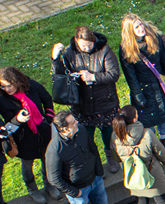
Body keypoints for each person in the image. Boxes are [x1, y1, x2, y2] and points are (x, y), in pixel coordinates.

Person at [46, 110, 128, 204]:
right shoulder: (55, 149)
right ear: (64, 129)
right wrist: (73, 192)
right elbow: (53, 178)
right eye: (73, 123)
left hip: (95, 180)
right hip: (77, 190)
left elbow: (93, 149)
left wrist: (99, 173)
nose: (77, 123)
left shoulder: (81, 131)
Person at [50, 26, 122, 173]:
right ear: (76, 41)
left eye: (90, 44)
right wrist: (55, 59)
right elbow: (60, 75)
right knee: (85, 138)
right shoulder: (70, 52)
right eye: (84, 45)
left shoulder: (104, 50)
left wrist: (93, 77)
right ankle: (94, 165)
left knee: (108, 135)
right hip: (82, 105)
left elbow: (114, 74)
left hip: (105, 103)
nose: (88, 48)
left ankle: (111, 159)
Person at [0, 66, 59, 204]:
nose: (7, 89)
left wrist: (49, 116)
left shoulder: (32, 86)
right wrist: (18, 119)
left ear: (17, 81)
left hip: (43, 130)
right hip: (24, 137)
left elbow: (46, 99)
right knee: (27, 165)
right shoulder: (3, 100)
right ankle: (32, 189)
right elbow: (9, 121)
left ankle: (49, 185)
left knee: (47, 159)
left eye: (9, 85)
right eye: (3, 87)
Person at [111, 106, 165, 204]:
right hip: (153, 174)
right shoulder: (147, 133)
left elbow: (115, 156)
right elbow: (160, 151)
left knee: (142, 202)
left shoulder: (116, 136)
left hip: (134, 176)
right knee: (162, 202)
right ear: (134, 118)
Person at [118, 14, 165, 156]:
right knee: (149, 119)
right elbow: (130, 76)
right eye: (137, 27)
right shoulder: (126, 49)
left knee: (164, 115)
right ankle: (154, 145)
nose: (141, 28)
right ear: (130, 31)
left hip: (160, 85)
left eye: (141, 24)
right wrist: (139, 96)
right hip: (144, 88)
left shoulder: (154, 37)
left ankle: (164, 140)